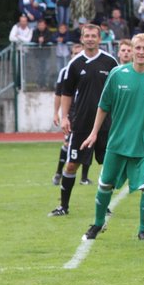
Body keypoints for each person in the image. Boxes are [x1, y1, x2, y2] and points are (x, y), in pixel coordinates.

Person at [80, 33, 144, 242]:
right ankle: (98, 224)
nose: (141, 52)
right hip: (118, 142)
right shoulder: (117, 74)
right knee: (105, 184)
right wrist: (93, 133)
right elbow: (103, 106)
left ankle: (143, 230)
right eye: (138, 48)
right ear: (131, 50)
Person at [48, 23, 118, 216]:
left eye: (93, 36)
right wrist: (64, 118)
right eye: (86, 35)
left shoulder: (110, 62)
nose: (90, 39)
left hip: (106, 124)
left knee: (108, 166)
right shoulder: (75, 64)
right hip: (81, 124)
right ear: (82, 38)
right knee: (72, 165)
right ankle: (63, 206)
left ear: (99, 38)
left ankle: (104, 205)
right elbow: (66, 93)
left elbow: (118, 91)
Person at [51, 42, 84, 185]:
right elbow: (60, 93)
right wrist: (56, 113)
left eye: (79, 53)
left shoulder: (91, 68)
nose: (77, 56)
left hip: (86, 112)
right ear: (71, 55)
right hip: (72, 114)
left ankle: (84, 177)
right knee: (67, 143)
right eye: (74, 53)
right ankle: (59, 172)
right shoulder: (65, 71)